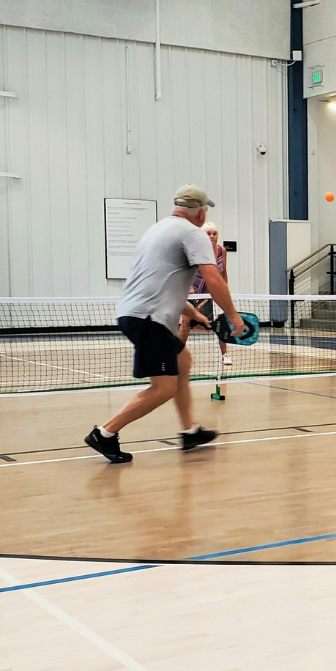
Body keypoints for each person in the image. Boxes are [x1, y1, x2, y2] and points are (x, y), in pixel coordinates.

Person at [85, 185, 245, 463]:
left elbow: (159, 282)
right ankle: (105, 433)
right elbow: (214, 278)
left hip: (137, 312)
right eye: (205, 209)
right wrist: (233, 316)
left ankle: (189, 431)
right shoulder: (192, 233)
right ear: (200, 211)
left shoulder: (158, 229)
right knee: (163, 388)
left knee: (182, 363)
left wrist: (193, 314)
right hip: (150, 319)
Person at [179, 223, 231, 365]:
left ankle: (225, 354)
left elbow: (224, 271)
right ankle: (178, 353)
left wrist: (224, 290)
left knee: (222, 321)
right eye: (208, 234)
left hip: (214, 292)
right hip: (194, 291)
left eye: (214, 233)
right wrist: (190, 290)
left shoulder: (222, 251)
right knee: (185, 322)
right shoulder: (194, 251)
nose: (212, 236)